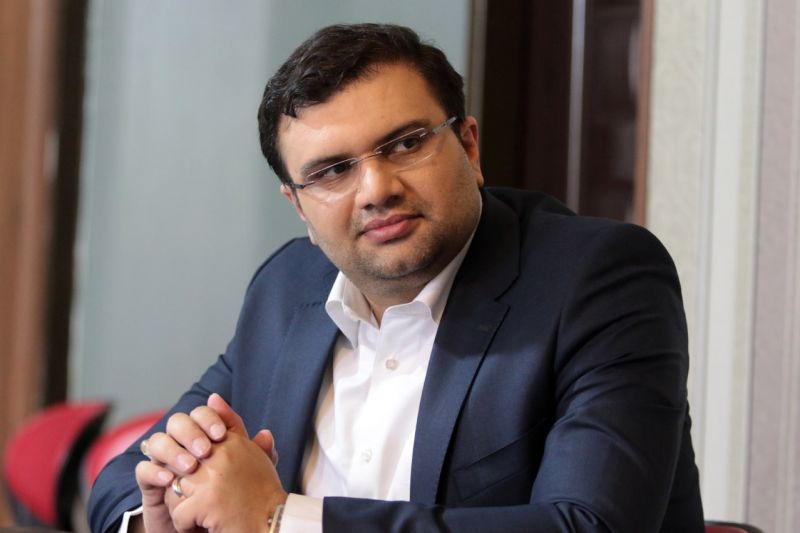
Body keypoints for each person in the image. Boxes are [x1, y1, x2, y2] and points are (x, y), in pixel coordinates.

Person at [87, 23, 704, 533]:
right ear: (298, 207)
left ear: (469, 147)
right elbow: (126, 477)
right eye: (332, 171)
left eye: (406, 144)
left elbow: (590, 524)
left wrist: (277, 520)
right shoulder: (288, 288)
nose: (377, 189)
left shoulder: (599, 280)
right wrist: (158, 519)